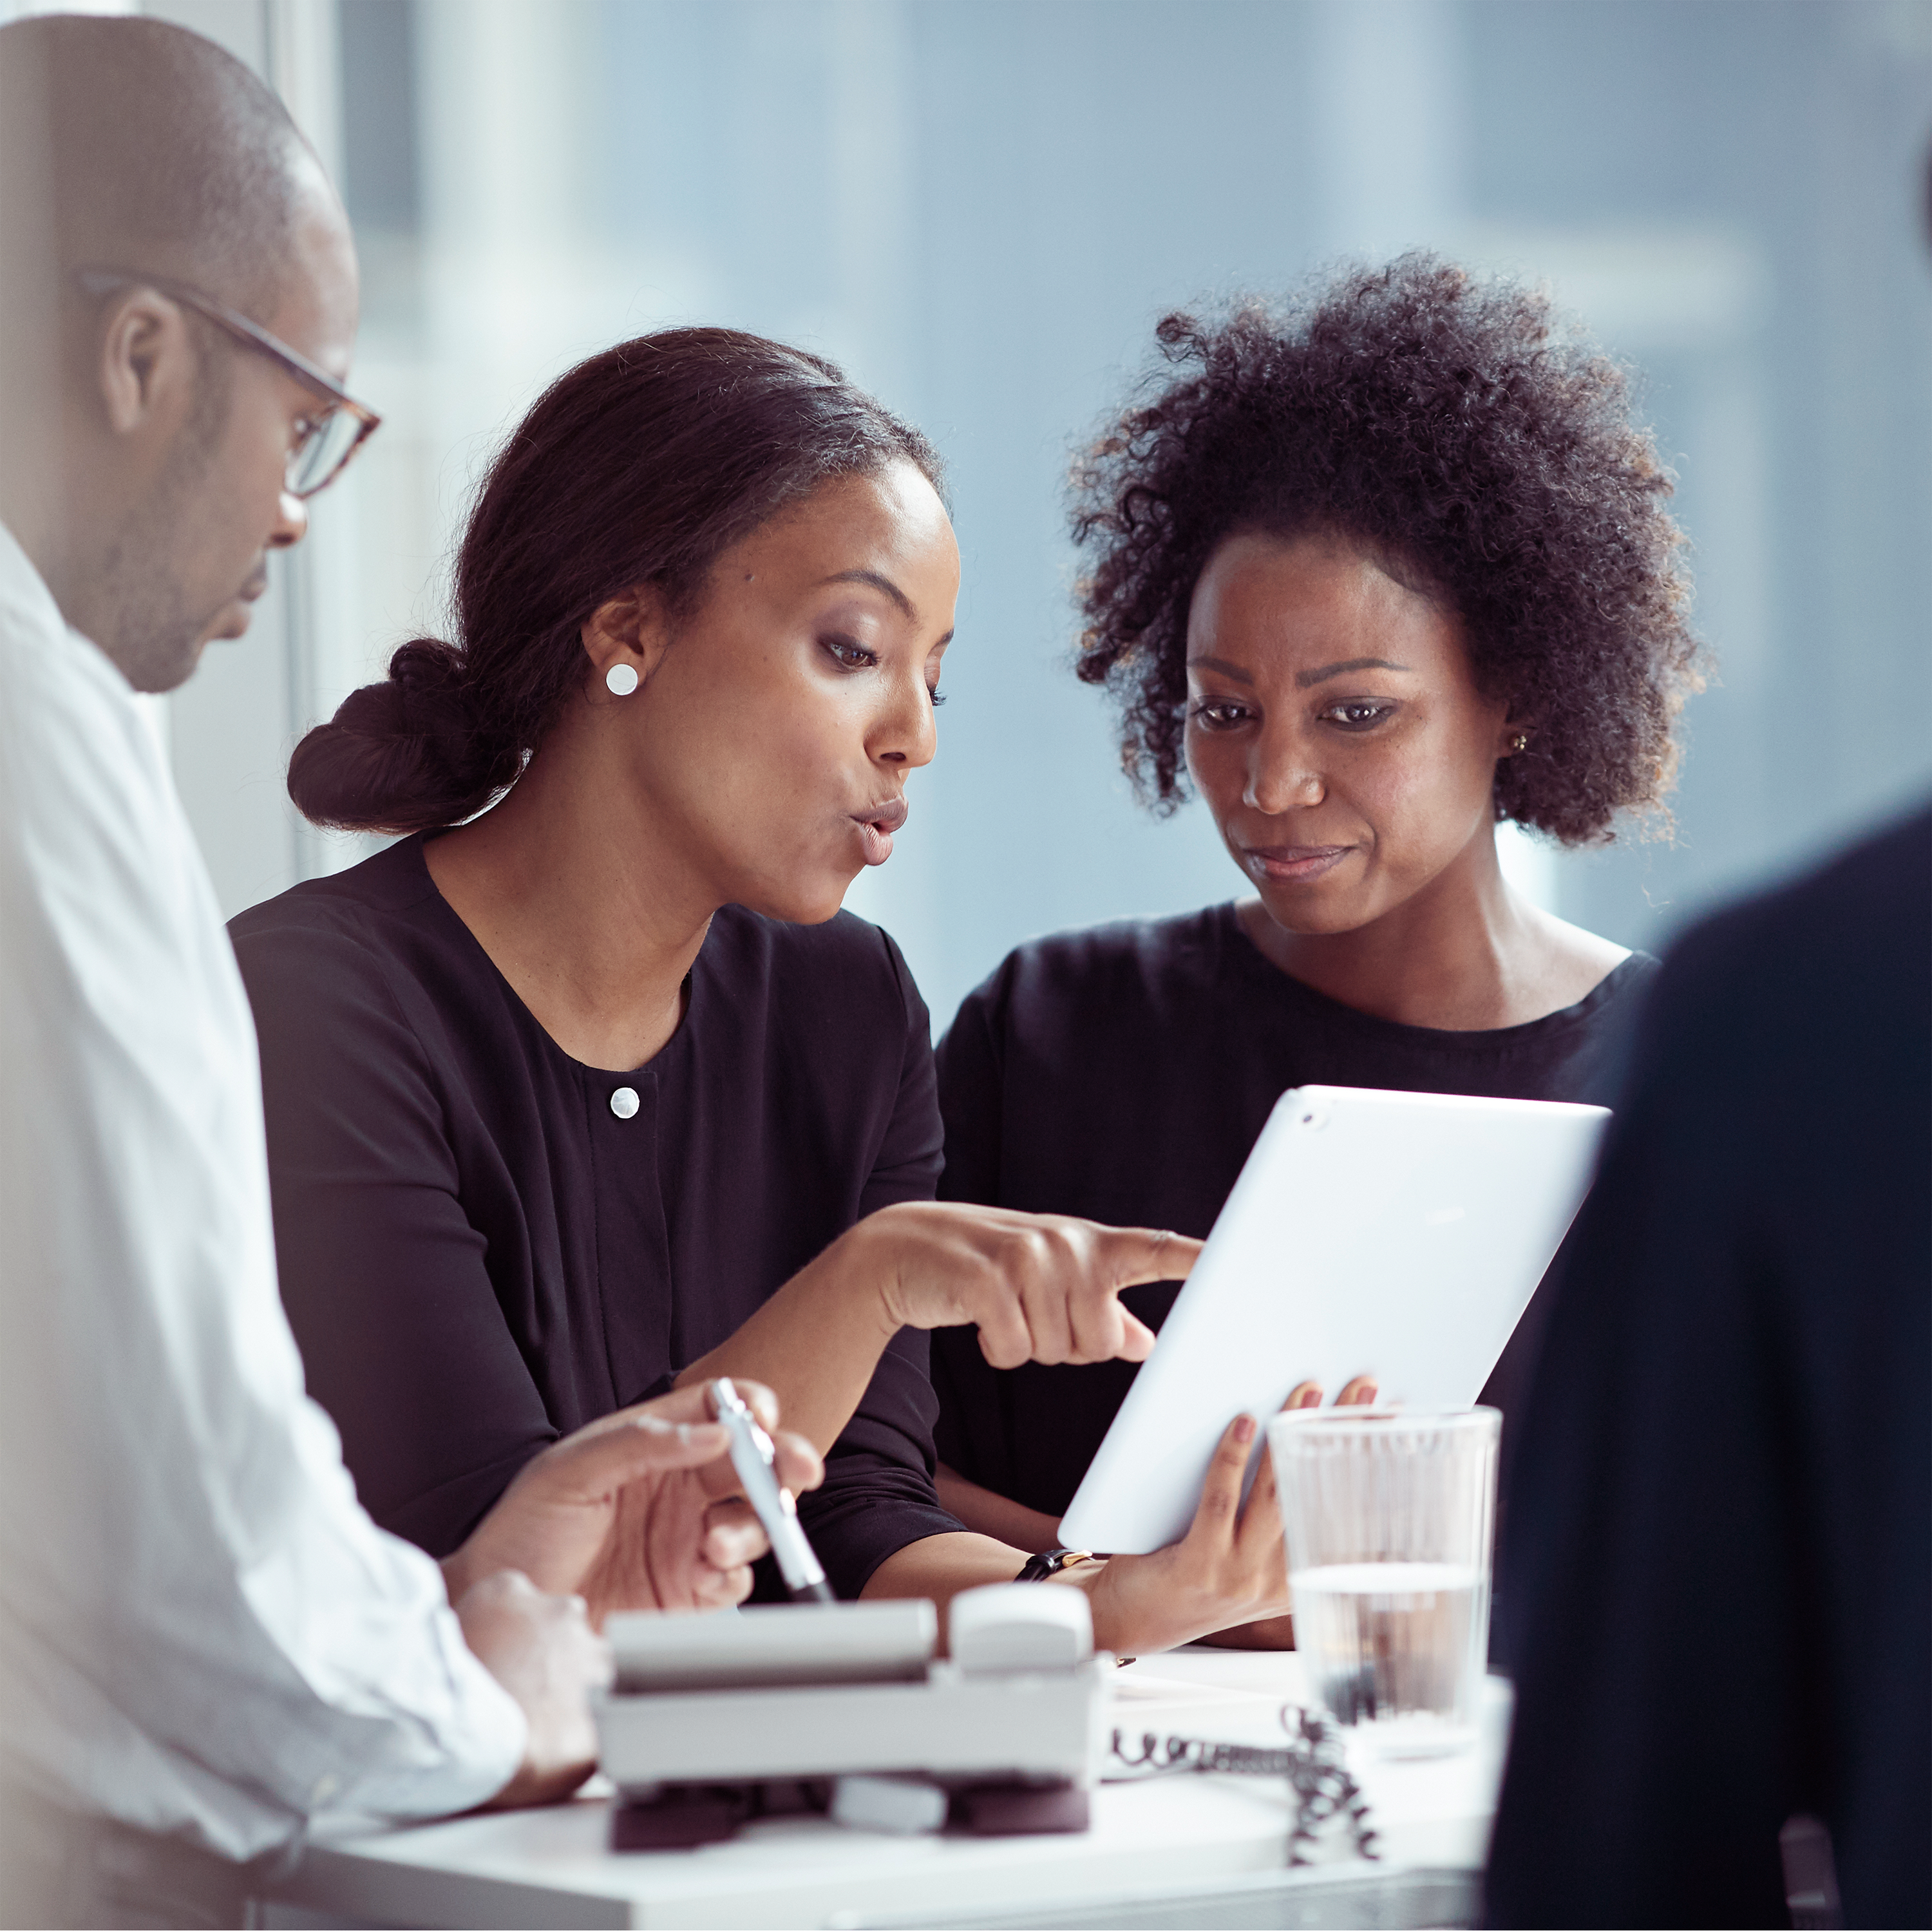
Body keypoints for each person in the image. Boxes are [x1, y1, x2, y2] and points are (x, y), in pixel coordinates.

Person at [0, 17, 817, 1920]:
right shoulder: (41, 751)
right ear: (138, 358)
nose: (297, 510)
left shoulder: (834, 1009)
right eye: (302, 424)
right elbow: (176, 1531)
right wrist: (481, 1693)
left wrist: (466, 1603)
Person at [229, 325, 1229, 1660]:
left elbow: (859, 1525)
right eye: (852, 649)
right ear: (629, 631)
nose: (915, 736)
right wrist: (868, 1281)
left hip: (750, 1840)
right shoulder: (310, 1016)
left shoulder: (849, 1007)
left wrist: (1118, 1601)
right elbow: (507, 1587)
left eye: (935, 676)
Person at [931, 258, 1705, 1641]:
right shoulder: (1047, 1032)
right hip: (1084, 1827)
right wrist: (1161, 1606)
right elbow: (871, 1482)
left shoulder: (1680, 1086)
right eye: (1223, 712)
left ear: (1514, 695)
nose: (1273, 782)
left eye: (1355, 716)